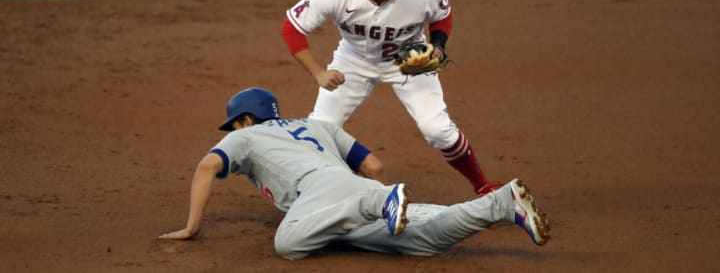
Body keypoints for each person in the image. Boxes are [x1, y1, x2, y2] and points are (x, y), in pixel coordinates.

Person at [158, 87, 551, 260]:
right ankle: (499, 205)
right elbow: (373, 166)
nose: (233, 132)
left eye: (234, 125)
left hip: (326, 191)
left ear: (245, 119)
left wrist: (192, 227)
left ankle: (378, 201)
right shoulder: (318, 125)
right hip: (352, 186)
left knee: (288, 244)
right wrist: (369, 195)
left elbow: (207, 166)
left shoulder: (249, 135)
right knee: (420, 242)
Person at [281, 0, 498, 196]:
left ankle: (483, 185)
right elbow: (291, 29)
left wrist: (438, 46)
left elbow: (442, 15)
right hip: (354, 60)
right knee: (320, 128)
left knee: (438, 130)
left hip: (408, 60)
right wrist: (318, 72)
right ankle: (307, 193)